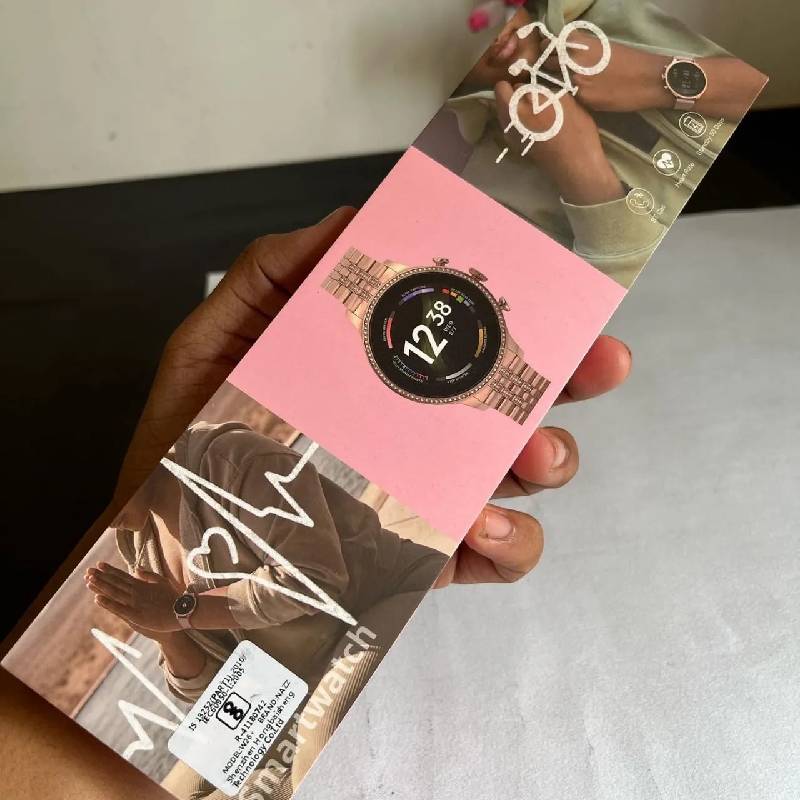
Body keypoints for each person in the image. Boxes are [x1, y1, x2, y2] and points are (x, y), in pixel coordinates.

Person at [0, 207, 632, 799]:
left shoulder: (226, 459)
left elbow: (315, 580)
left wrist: (182, 609)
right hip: (291, 678)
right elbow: (205, 695)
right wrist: (168, 633)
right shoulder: (135, 544)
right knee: (187, 780)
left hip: (372, 601)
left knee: (312, 737)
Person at [435, 0, 765, 287]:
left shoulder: (630, 11)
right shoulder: (487, 188)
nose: (490, 34)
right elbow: (585, 309)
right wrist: (582, 172)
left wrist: (656, 77)